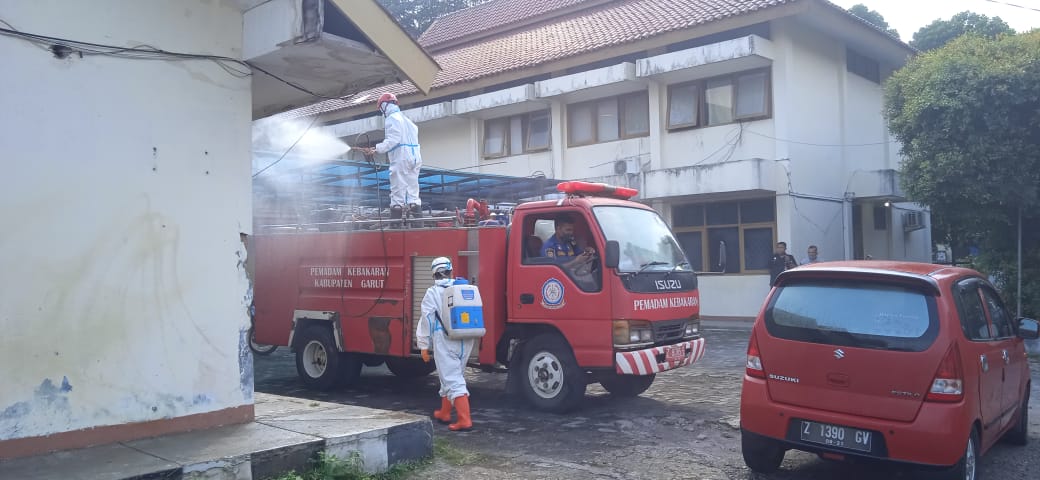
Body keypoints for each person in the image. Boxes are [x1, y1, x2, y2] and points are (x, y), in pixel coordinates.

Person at [416, 257, 475, 432]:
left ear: (434, 274)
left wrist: (423, 345)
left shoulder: (433, 292)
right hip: (466, 338)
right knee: (453, 374)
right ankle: (444, 413)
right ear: (451, 271)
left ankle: (465, 420)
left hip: (445, 338)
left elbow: (427, 319)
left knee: (452, 378)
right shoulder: (463, 287)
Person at [358, 93, 422, 224]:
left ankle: (395, 225)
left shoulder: (392, 118)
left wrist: (376, 148)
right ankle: (418, 223)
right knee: (413, 190)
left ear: (384, 105)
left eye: (381, 108)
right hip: (415, 157)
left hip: (402, 157)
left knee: (397, 189)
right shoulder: (406, 120)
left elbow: (393, 139)